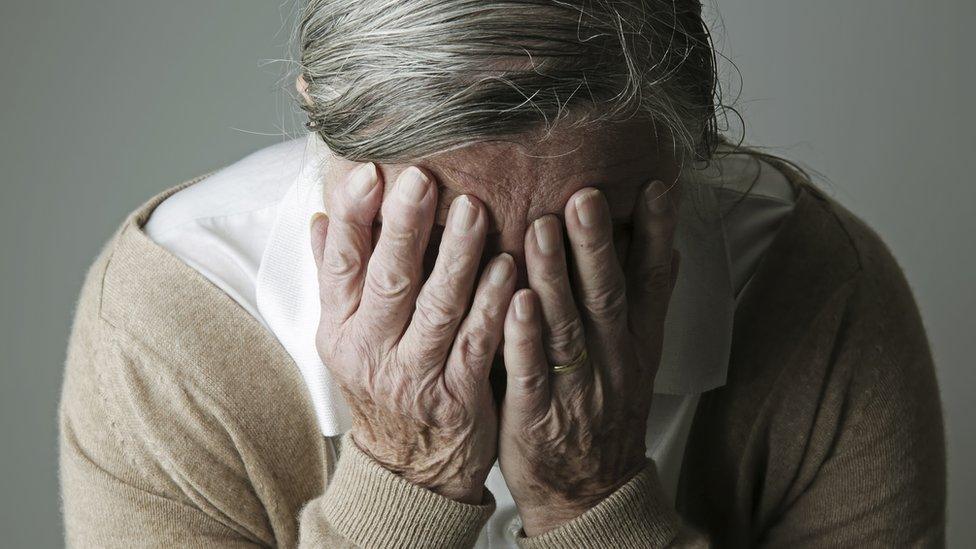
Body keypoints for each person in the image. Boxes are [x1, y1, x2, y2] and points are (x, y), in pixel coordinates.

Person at [59, 1, 945, 547]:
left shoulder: (816, 288)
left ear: (687, 163)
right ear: (326, 135)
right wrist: (404, 477)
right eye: (447, 243)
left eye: (595, 238)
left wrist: (591, 500)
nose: (521, 313)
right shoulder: (168, 322)